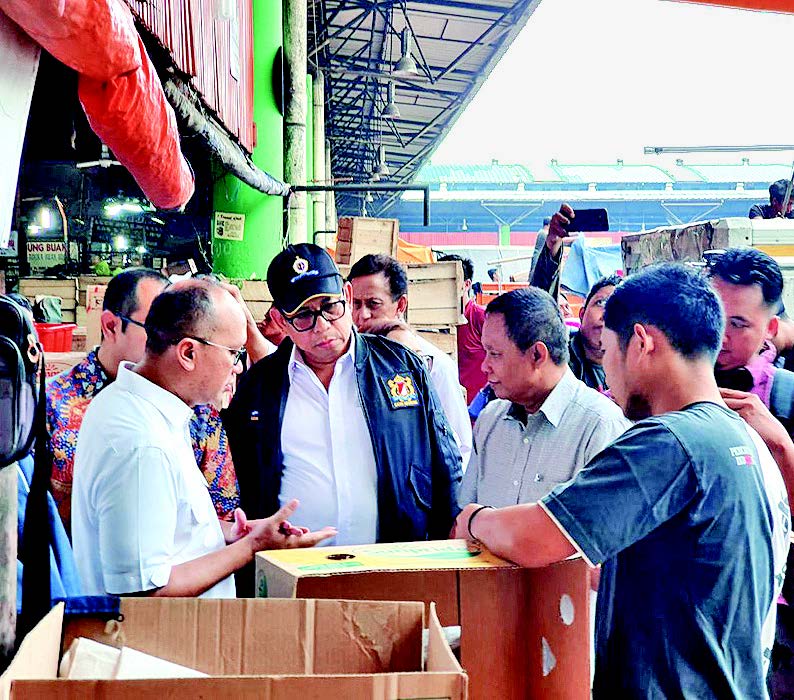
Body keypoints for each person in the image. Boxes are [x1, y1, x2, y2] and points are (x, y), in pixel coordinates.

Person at [453, 264, 789, 698]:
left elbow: (538, 536)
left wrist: (475, 518)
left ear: (641, 343)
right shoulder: (740, 434)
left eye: (609, 350)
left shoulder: (667, 442)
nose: (607, 374)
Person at [71, 280, 333, 598]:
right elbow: (147, 590)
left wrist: (230, 533)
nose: (237, 368)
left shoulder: (142, 407)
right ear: (188, 352)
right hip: (158, 644)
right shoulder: (142, 443)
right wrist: (252, 547)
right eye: (234, 354)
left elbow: (170, 532)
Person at [224, 244, 462, 593]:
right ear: (279, 321)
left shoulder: (401, 369)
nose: (321, 327)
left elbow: (446, 467)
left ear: (347, 296)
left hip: (393, 569)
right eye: (303, 316)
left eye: (330, 308)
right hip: (290, 577)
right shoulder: (258, 388)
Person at [47, 268, 241, 533]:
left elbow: (222, 511)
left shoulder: (199, 409)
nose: (168, 333)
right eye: (154, 324)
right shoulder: (54, 406)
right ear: (111, 326)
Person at [459, 287, 629, 508]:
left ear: (537, 355)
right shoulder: (490, 420)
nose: (484, 366)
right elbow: (463, 517)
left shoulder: (601, 428)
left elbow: (601, 536)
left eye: (495, 354)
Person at [347, 254, 472, 467]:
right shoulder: (343, 362)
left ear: (401, 304)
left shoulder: (434, 366)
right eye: (355, 304)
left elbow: (460, 450)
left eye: (373, 304)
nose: (362, 315)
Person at [708, 248, 794, 435]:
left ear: (770, 329)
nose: (721, 335)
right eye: (713, 316)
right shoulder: (669, 382)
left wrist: (780, 445)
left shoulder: (787, 398)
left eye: (737, 324)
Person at [437, 253, 488, 404]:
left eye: (448, 281)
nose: (441, 287)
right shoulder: (429, 324)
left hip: (476, 413)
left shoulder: (482, 318)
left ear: (466, 285)